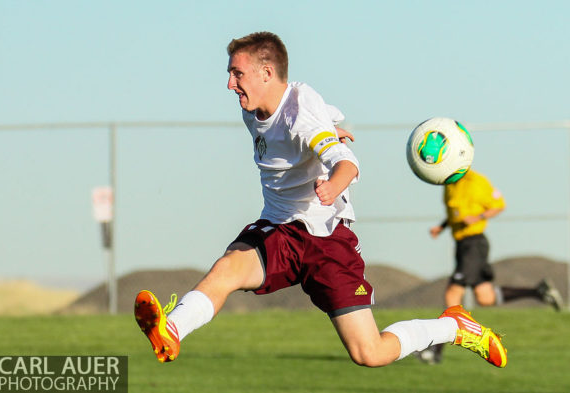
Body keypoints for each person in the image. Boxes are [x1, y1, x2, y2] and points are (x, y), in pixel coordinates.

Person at [134, 31, 508, 368]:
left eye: (238, 73)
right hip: (280, 229)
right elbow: (316, 118)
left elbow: (346, 161)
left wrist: (334, 183)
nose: (230, 84)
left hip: (325, 239)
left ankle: (453, 327)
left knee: (370, 353)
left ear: (267, 73)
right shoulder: (263, 107)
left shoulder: (300, 116)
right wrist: (329, 126)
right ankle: (172, 331)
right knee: (227, 270)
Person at [416, 168, 563, 365]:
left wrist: (478, 217)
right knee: (485, 297)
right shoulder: (448, 183)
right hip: (462, 245)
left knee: (452, 294)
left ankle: (435, 351)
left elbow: (499, 205)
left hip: (474, 244)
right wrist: (442, 227)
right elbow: (455, 213)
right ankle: (538, 291)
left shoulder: (476, 181)